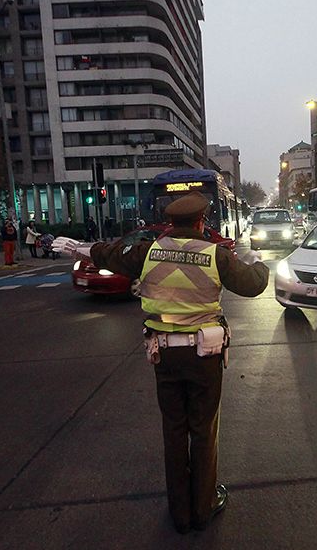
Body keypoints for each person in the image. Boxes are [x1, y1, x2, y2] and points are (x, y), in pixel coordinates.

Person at [53, 191, 269, 534]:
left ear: (171, 223)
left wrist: (78, 246)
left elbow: (110, 254)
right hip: (204, 356)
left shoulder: (148, 252)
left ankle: (180, 513)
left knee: (173, 429)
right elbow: (254, 285)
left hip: (163, 354)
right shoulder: (215, 255)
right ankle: (204, 506)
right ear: (201, 222)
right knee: (203, 429)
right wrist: (259, 261)